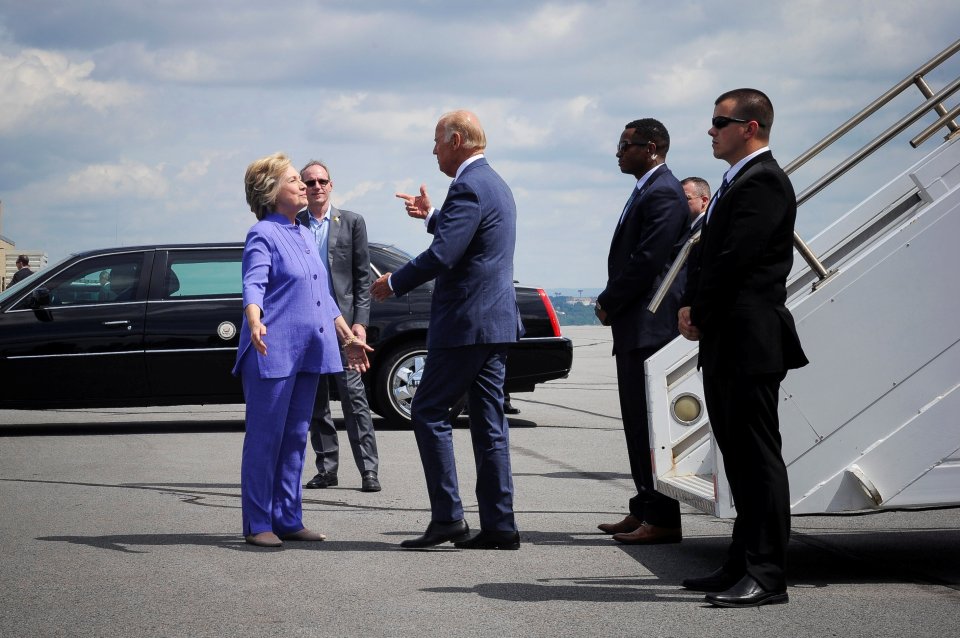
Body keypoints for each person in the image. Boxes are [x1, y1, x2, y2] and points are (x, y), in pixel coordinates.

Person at [678, 89, 808, 607]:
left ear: (750, 127)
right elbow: (709, 257)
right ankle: (740, 561)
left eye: (719, 121)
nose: (711, 130)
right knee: (736, 458)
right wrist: (691, 305)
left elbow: (735, 260)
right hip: (726, 338)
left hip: (749, 340)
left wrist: (698, 311)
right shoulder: (737, 182)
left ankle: (768, 574)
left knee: (758, 460)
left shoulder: (765, 181)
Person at [372, 110, 522, 550]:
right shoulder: (493, 183)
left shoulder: (469, 186)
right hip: (492, 324)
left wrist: (393, 282)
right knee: (488, 422)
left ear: (456, 140)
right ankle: (499, 525)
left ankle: (448, 519)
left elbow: (444, 254)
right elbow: (468, 237)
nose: (434, 149)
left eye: (437, 141)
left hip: (465, 325)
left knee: (428, 411)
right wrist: (432, 214)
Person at [233, 152, 372, 549]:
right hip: (272, 350)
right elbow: (253, 283)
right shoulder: (263, 233)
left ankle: (288, 518)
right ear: (271, 191)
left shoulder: (302, 233)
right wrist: (254, 319)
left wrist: (347, 335)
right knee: (265, 439)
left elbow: (323, 296)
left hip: (311, 350)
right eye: (294, 180)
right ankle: (258, 523)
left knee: (295, 437)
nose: (302, 186)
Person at [594, 119, 690, 545]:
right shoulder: (647, 189)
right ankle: (644, 506)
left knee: (650, 426)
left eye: (624, 144)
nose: (618, 152)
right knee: (636, 422)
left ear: (651, 148)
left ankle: (663, 518)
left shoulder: (664, 192)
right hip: (637, 326)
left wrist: (608, 301)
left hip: (650, 325)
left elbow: (648, 259)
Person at [297, 160, 381, 493]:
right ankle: (327, 468)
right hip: (308, 326)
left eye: (322, 181)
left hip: (344, 327)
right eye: (310, 182)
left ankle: (369, 471)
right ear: (303, 188)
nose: (316, 186)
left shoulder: (352, 222)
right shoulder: (294, 223)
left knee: (354, 399)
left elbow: (363, 278)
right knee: (316, 402)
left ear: (331, 185)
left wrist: (360, 324)